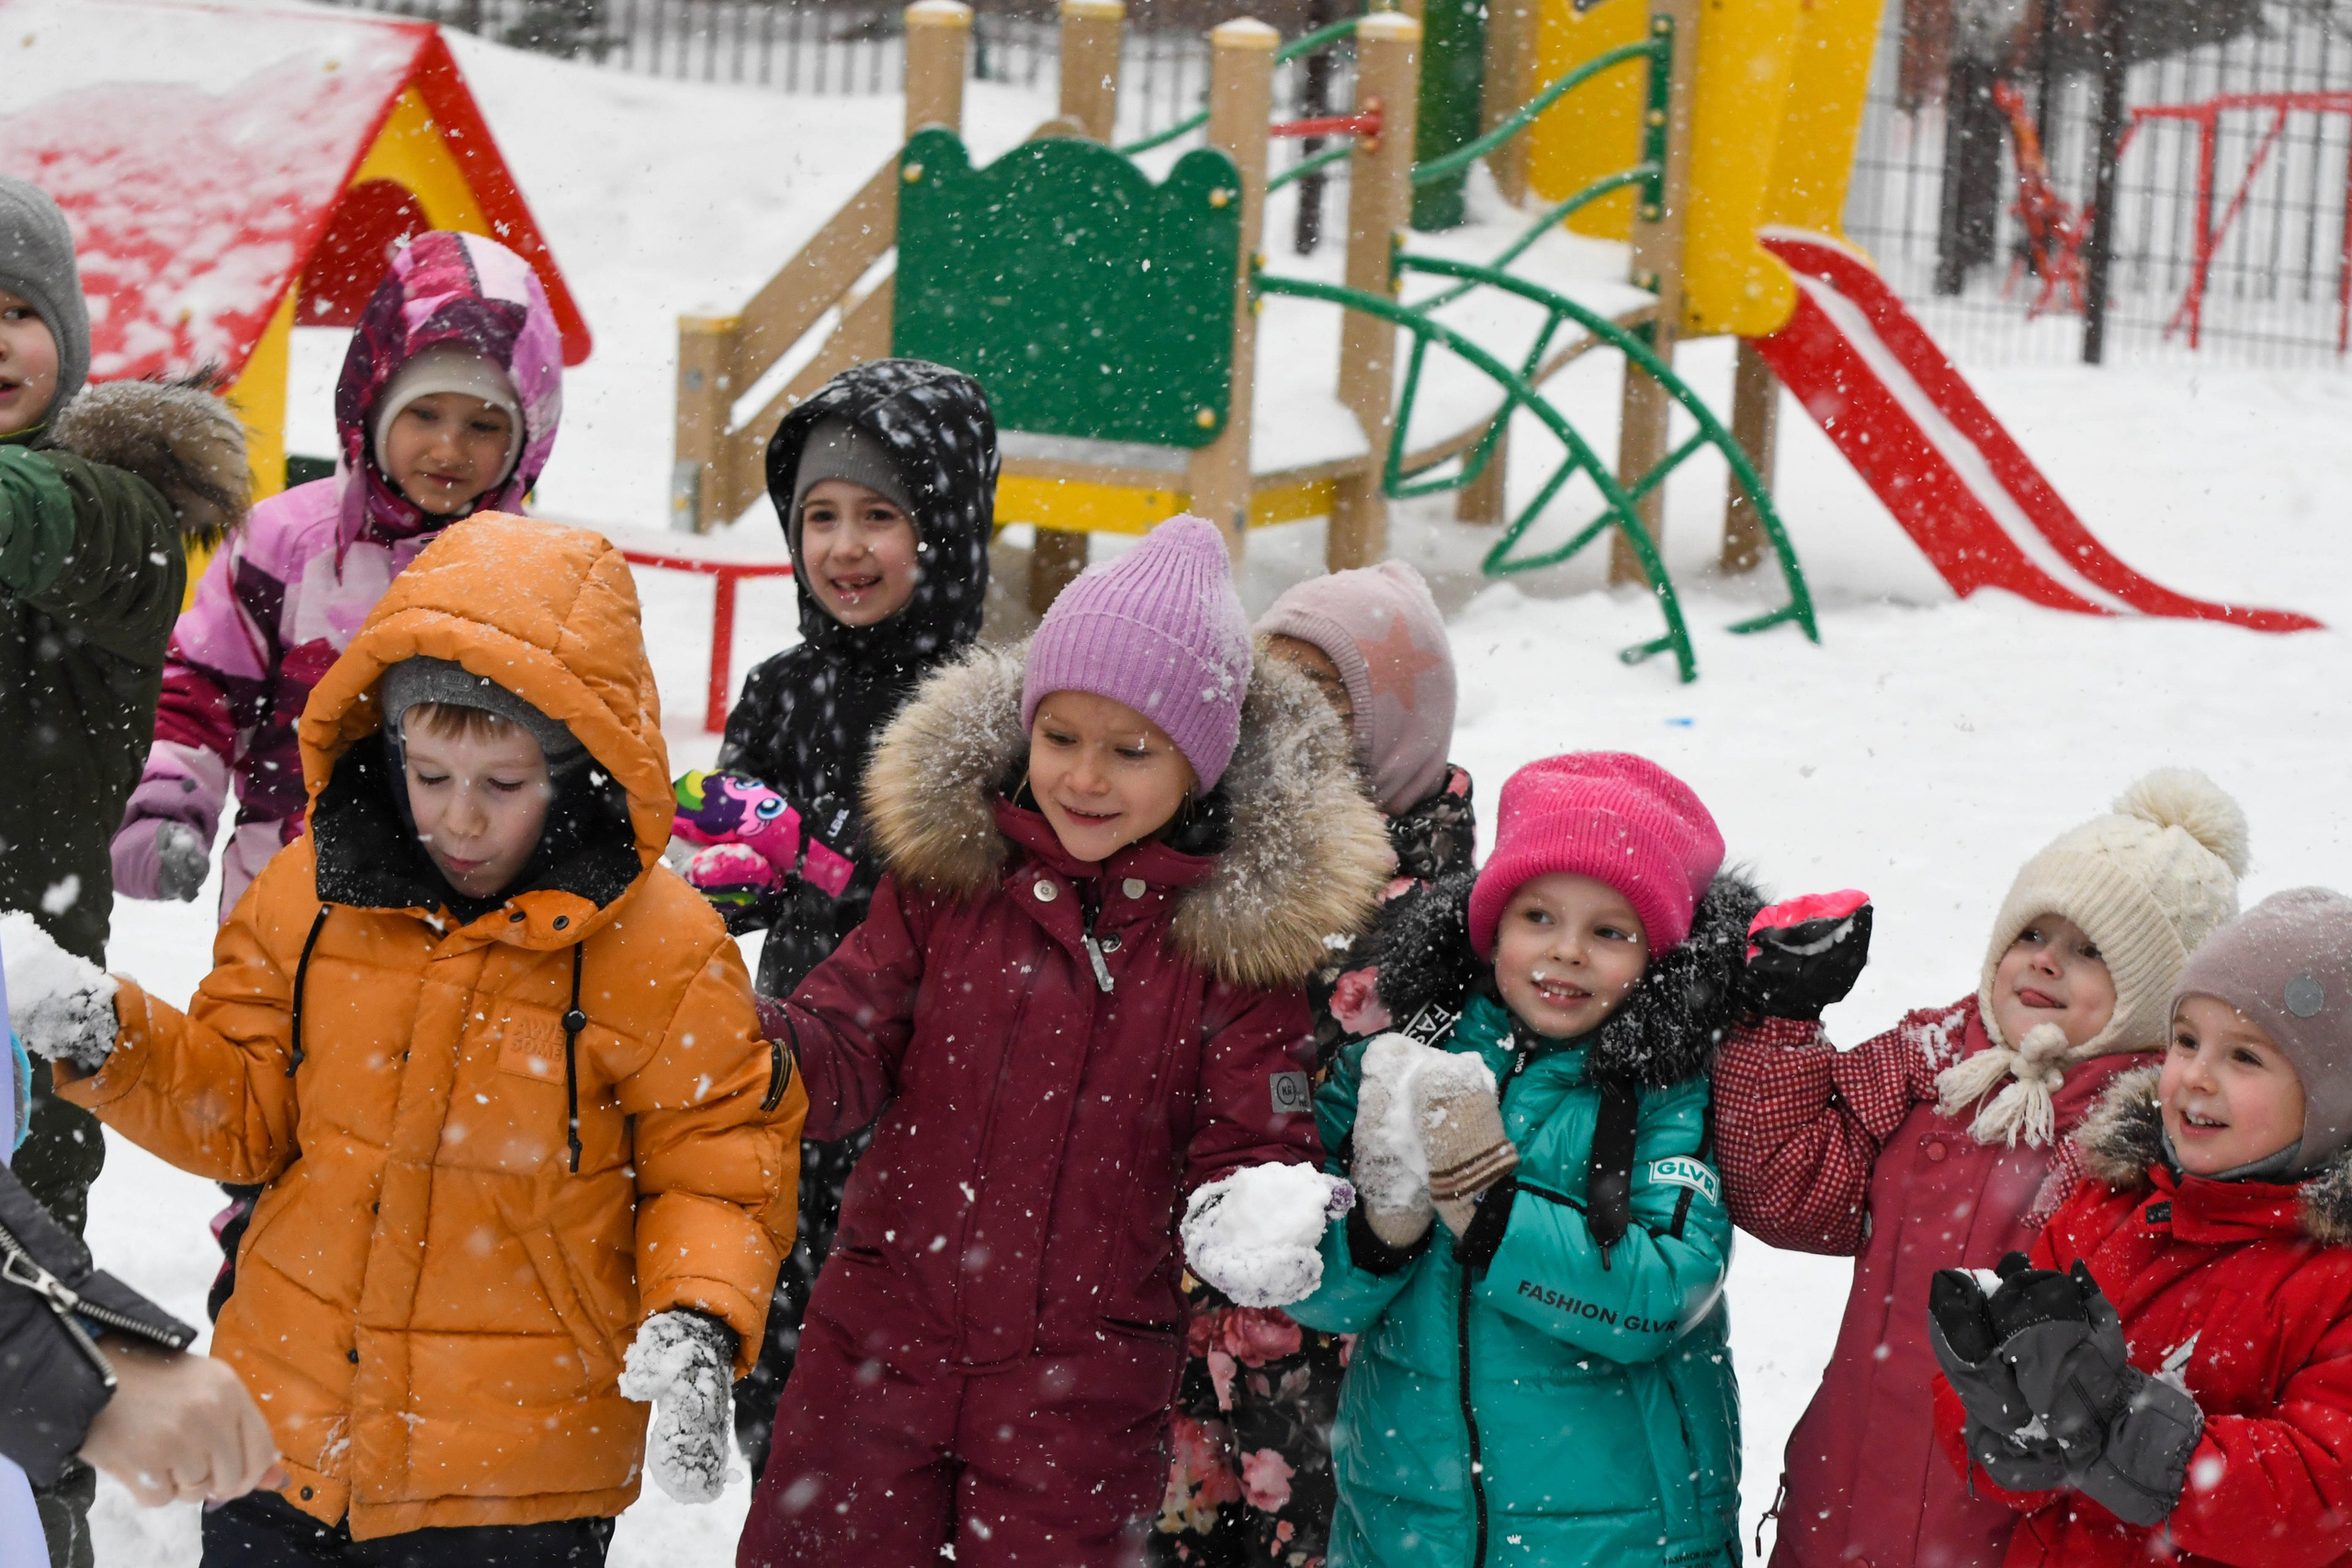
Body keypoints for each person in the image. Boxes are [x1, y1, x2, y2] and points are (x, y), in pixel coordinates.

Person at [9, 513, 803, 1563]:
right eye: (429, 777)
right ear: (386, 752)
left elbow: (718, 1168)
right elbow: (245, 1118)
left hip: (512, 1482)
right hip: (284, 1440)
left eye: (501, 787)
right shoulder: (312, 893)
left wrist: (698, 1317)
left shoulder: (661, 950)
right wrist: (115, 1041)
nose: (460, 822)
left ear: (577, 771)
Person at [735, 515, 1394, 1567]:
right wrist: (751, 1048)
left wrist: (1255, 1213)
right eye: (1060, 739)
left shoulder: (1227, 948)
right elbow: (844, 1044)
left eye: (1130, 751)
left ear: (1198, 765)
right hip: (880, 1337)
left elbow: (1248, 1142)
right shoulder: (952, 884)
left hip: (1082, 1379)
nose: (1085, 778)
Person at [1713, 771, 2248, 1568]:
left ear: (2156, 993)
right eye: (2033, 935)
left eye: (2092, 950)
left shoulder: (2142, 1145)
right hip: (1845, 1495)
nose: (2047, 964)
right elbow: (1791, 1188)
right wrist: (1783, 1023)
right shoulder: (1935, 1062)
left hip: (2005, 1528)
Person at [1286, 752, 1758, 1567]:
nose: (1567, 951)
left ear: (1658, 953)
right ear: (1491, 924)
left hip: (1624, 1533)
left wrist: (1491, 1211)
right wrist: (1379, 1231)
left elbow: (1663, 1295)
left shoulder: (1670, 1090)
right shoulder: (1402, 1054)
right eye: (1539, 916)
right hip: (1405, 1519)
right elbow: (1321, 1298)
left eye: (1610, 931)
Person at [675, 358, 995, 1476]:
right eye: (819, 517)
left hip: (944, 1077)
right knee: (795, 1347)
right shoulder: (781, 687)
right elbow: (742, 873)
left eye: (879, 516)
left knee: (911, 1352)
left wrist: (813, 858)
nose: (844, 547)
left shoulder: (990, 701)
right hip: (800, 1062)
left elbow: (959, 892)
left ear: (943, 528)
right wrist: (718, 861)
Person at [1, 173, 251, 1567]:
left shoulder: (115, 516)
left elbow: (21, 514)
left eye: (19, 312)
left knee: (31, 1352)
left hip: (27, 1021)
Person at [1153, 560, 1472, 1568]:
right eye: (1265, 688)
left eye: (1324, 693)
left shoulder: (1459, 922)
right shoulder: (1210, 860)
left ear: (1399, 719)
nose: (1282, 717)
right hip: (1191, 1330)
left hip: (1346, 1346)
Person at [112, 228, 564, 922]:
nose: (449, 447)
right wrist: (166, 802)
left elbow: (581, 738)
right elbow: (200, 687)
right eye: (424, 413)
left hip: (466, 923)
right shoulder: (287, 543)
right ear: (373, 406)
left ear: (524, 439)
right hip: (285, 902)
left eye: (483, 425)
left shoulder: (537, 574)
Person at [1929, 886, 2352, 1566]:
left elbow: (2320, 1492)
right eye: (2187, 1040)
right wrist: (1997, 1402)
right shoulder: (2110, 1201)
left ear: (2333, 1097)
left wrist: (2112, 1420)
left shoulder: (2335, 1275)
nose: (2197, 1077)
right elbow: (2001, 1457)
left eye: (2245, 1056)